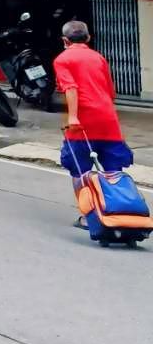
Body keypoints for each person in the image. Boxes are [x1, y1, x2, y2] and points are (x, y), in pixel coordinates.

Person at [54, 20, 133, 223]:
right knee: (114, 172)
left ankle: (89, 217)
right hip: (108, 120)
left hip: (82, 123)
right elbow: (110, 92)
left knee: (80, 171)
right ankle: (120, 214)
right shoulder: (99, 58)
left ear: (65, 40)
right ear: (88, 38)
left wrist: (73, 116)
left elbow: (71, 88)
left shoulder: (62, 59)